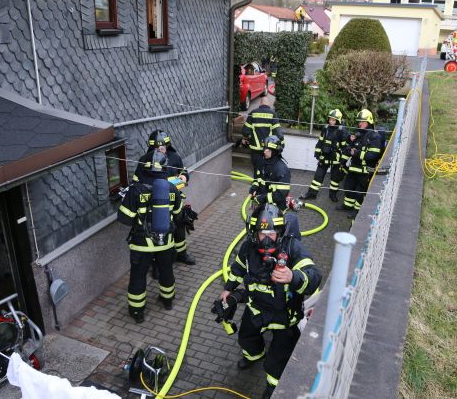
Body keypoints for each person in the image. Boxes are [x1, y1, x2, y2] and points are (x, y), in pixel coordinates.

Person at [219, 203, 322, 399]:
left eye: (271, 233)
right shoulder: (248, 248)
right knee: (246, 339)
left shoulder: (292, 247)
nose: (266, 239)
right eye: (262, 233)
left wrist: (293, 276)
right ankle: (254, 355)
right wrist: (228, 288)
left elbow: (314, 275)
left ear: (280, 231)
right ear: (254, 233)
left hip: (285, 316)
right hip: (256, 309)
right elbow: (238, 268)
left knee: (278, 361)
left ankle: (272, 388)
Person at [118, 150, 183, 322]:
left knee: (138, 276)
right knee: (166, 271)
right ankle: (167, 301)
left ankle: (137, 312)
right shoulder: (172, 188)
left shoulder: (135, 190)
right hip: (166, 242)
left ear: (144, 167)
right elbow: (178, 214)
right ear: (165, 168)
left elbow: (124, 219)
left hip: (142, 244)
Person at [134, 130, 196, 266]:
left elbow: (183, 171)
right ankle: (157, 264)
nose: (161, 149)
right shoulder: (144, 160)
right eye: (157, 147)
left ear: (168, 145)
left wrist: (184, 176)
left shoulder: (174, 157)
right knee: (157, 231)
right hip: (155, 204)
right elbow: (136, 181)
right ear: (151, 147)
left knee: (179, 228)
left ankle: (181, 254)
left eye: (163, 147)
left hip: (174, 200)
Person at [338, 109, 385, 219]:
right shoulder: (358, 134)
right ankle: (348, 205)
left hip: (365, 171)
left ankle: (357, 211)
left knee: (360, 192)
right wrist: (343, 160)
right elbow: (349, 148)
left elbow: (373, 155)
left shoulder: (375, 137)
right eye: (359, 122)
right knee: (348, 187)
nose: (360, 124)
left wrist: (356, 153)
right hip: (353, 168)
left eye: (363, 122)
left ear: (369, 122)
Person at [300, 109, 347, 202]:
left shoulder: (342, 131)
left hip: (336, 158)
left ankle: (333, 195)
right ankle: (312, 194)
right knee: (318, 176)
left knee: (334, 178)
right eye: (330, 119)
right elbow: (320, 141)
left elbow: (345, 147)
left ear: (338, 120)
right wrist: (317, 153)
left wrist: (343, 160)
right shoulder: (325, 128)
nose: (331, 121)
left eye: (333, 120)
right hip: (324, 156)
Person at [241, 97, 284, 177]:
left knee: (257, 169)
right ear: (268, 103)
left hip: (255, 149)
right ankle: (265, 182)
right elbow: (278, 133)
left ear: (260, 103)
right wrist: (281, 144)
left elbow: (245, 131)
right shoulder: (272, 114)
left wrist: (246, 138)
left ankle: (256, 182)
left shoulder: (253, 113)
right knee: (267, 169)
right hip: (268, 149)